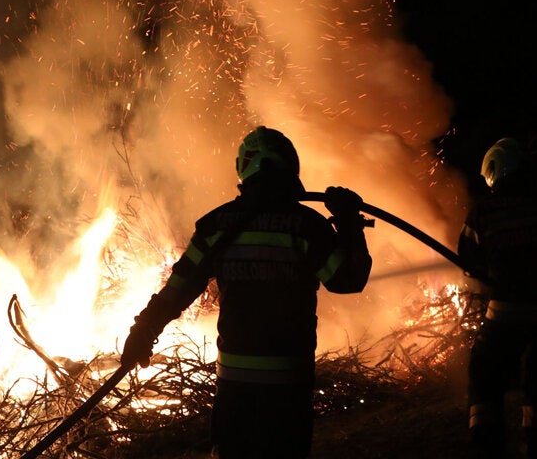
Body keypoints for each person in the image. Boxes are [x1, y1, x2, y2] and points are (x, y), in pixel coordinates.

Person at [120, 125, 373, 459]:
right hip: (288, 387)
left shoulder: (217, 225)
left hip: (235, 388)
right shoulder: (308, 226)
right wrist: (349, 224)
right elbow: (347, 280)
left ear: (244, 168)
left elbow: (180, 286)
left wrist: (145, 328)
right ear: (290, 166)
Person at [458, 137, 537, 459]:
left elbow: (469, 259)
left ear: (494, 170)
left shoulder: (485, 210)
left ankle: (486, 445)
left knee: (484, 374)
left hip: (507, 311)